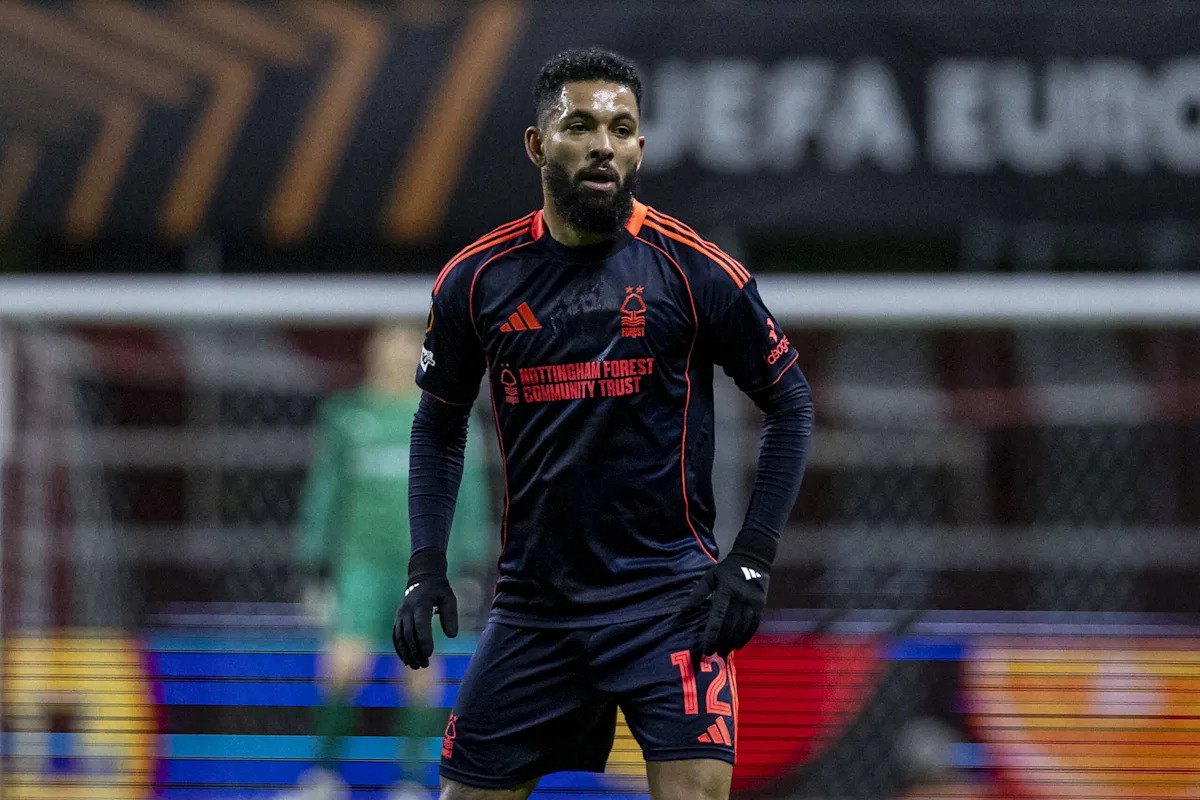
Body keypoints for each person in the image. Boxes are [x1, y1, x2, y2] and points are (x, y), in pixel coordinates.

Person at [392, 48, 813, 800]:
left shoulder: (693, 269)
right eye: (580, 126)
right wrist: (426, 564)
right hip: (536, 608)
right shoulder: (477, 279)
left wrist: (752, 559)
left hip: (669, 603)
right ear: (537, 144)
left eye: (620, 130)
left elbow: (791, 401)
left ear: (639, 149)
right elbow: (438, 425)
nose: (602, 146)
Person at [297, 324, 493, 798]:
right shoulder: (346, 415)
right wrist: (315, 566)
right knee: (343, 665)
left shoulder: (447, 413)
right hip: (359, 563)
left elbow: (468, 490)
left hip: (424, 565)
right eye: (387, 350)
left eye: (406, 351)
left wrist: (470, 565)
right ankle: (323, 775)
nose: (395, 359)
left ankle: (409, 782)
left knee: (420, 673)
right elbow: (325, 490)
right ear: (370, 356)